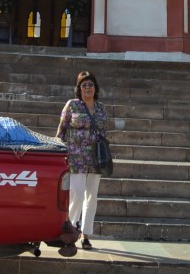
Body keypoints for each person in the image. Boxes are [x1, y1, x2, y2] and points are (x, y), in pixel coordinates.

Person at [56, 69, 107, 250]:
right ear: (79, 88)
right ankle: (70, 232)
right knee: (76, 195)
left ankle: (86, 235)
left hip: (95, 159)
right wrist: (59, 150)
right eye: (84, 85)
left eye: (90, 84)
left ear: (95, 88)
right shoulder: (72, 105)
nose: (88, 88)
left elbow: (103, 132)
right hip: (76, 157)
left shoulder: (100, 108)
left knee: (91, 197)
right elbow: (61, 130)